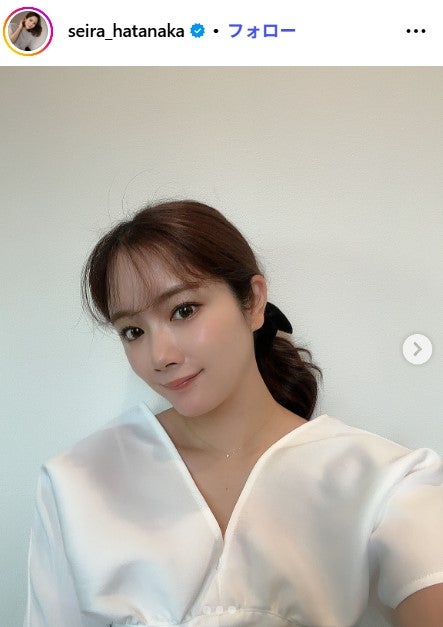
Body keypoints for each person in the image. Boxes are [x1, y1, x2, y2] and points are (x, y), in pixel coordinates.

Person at [24, 200, 443, 626]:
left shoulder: (386, 483)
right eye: (133, 331)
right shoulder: (76, 485)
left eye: (183, 310)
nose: (160, 355)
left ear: (254, 302)